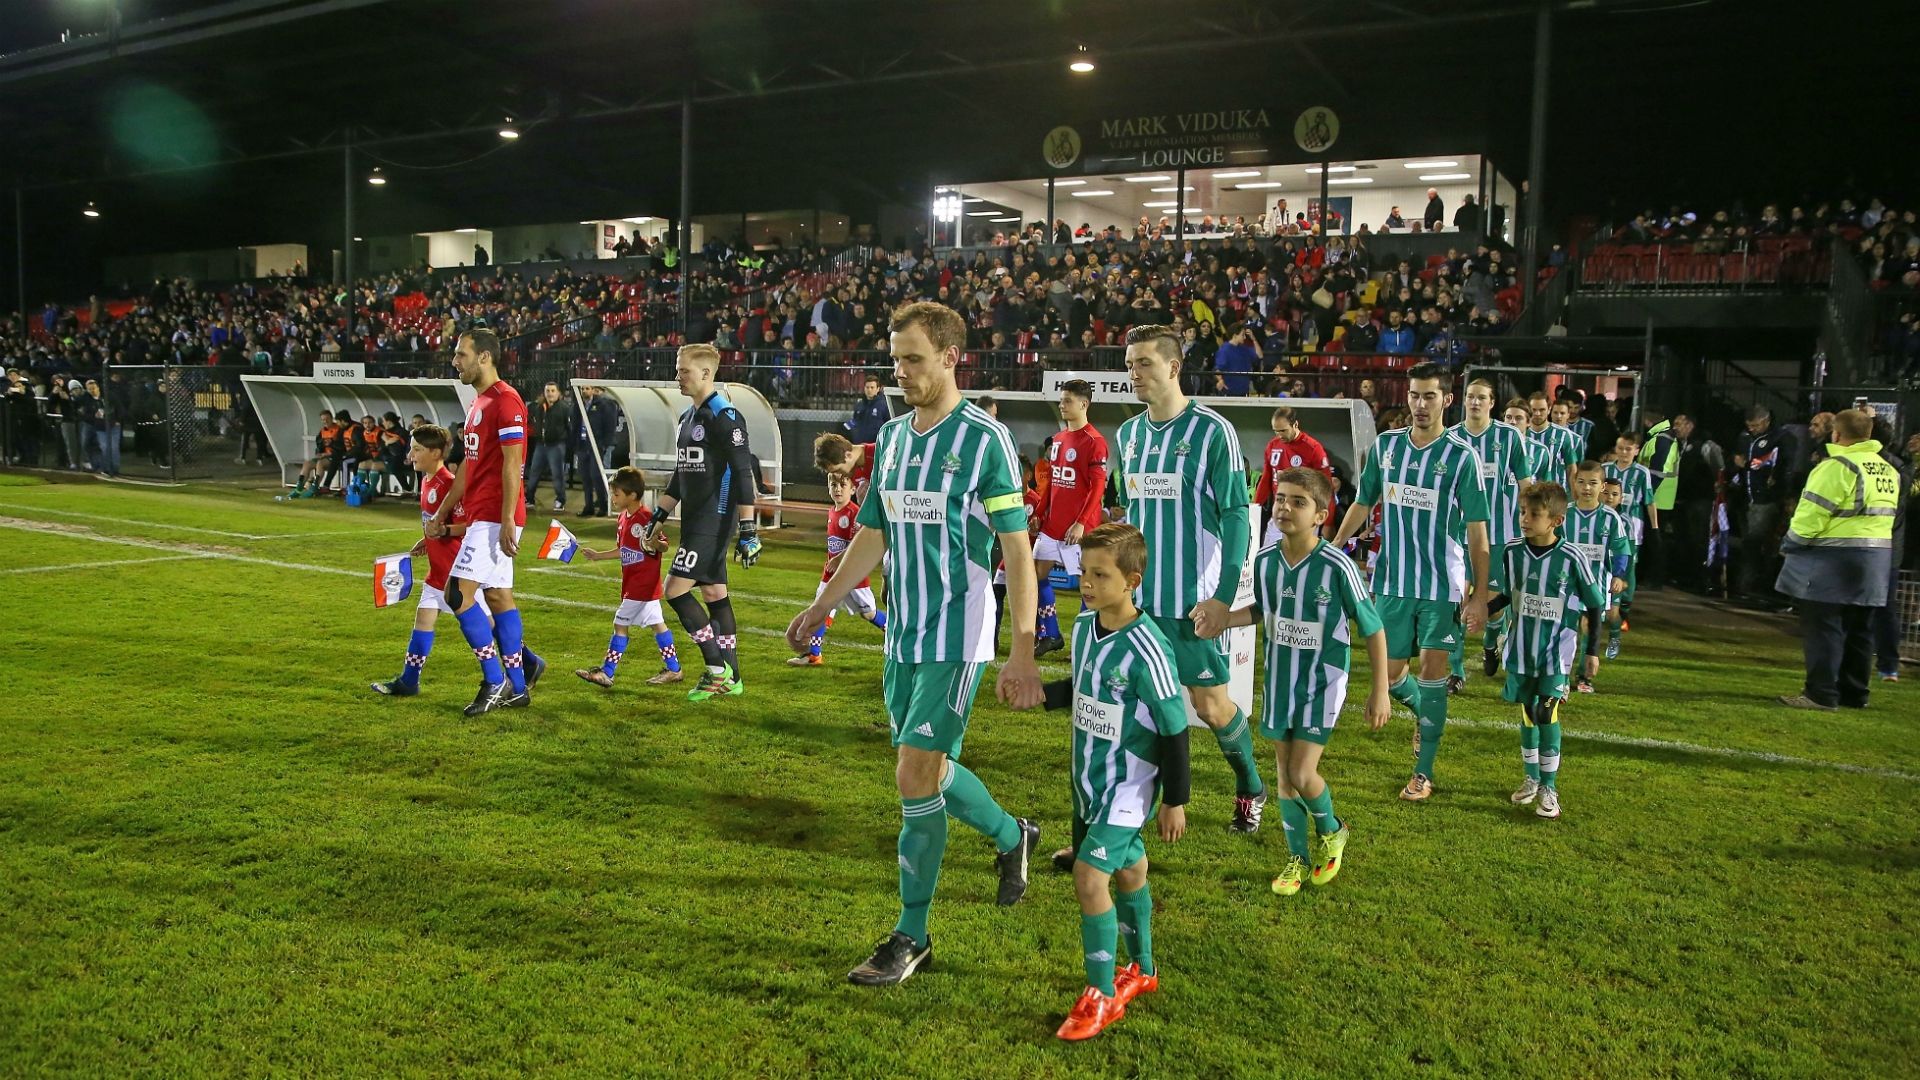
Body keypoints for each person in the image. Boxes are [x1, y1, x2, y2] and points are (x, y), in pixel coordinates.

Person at [786, 300, 1044, 988]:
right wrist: (824, 602)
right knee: (927, 772)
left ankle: (911, 934)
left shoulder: (985, 440)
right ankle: (1014, 836)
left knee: (912, 776)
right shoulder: (894, 439)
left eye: (914, 359)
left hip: (959, 635)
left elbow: (1016, 553)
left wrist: (1020, 648)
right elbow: (875, 529)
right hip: (903, 633)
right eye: (896, 359)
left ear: (952, 358)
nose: (902, 372)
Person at [1024, 523, 1189, 1040]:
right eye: (1085, 571)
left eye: (1100, 574)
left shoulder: (1149, 648)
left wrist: (1174, 801)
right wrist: (1042, 695)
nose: (1088, 583)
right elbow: (1084, 687)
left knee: (1090, 878)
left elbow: (1175, 728)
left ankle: (1099, 997)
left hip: (1129, 786)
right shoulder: (1084, 627)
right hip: (1089, 780)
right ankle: (1142, 969)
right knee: (1130, 870)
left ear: (1132, 580)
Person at [1111, 323, 1266, 832]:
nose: (1134, 372)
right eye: (1130, 363)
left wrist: (1223, 599)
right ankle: (1135, 803)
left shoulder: (1212, 431)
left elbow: (1236, 516)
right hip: (1136, 603)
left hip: (1190, 602)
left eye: (1144, 363)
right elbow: (1131, 512)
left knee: (1212, 707)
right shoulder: (1129, 435)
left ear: (1174, 367)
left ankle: (1250, 785)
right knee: (1135, 705)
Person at [1225, 468, 1389, 896]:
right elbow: (1263, 611)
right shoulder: (1264, 561)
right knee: (1283, 776)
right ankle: (1296, 858)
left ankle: (1333, 830)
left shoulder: (1337, 566)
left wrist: (1380, 689)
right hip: (1279, 682)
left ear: (1321, 515)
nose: (1284, 507)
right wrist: (1224, 619)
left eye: (1298, 502)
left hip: (1322, 682)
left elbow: (1372, 628)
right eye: (1280, 499)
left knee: (1301, 771)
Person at [1332, 363, 1491, 801]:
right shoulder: (1386, 448)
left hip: (1442, 586)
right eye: (1415, 396)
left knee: (1433, 670)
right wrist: (1335, 544)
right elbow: (1363, 502)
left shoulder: (1461, 457)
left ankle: (1423, 771)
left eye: (1430, 397)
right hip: (1392, 583)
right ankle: (1427, 716)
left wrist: (1479, 595)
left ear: (1447, 400)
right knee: (1393, 673)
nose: (1421, 405)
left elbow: (1478, 533)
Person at [424, 328, 539, 717]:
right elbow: (468, 471)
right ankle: (519, 686)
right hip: (482, 514)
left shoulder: (507, 402)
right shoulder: (479, 404)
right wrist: (442, 513)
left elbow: (513, 463)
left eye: (461, 354)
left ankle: (494, 680)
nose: (455, 361)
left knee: (457, 595)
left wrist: (507, 517)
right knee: (497, 596)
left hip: (494, 515)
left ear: (485, 357)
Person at [643, 344, 762, 702]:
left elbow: (744, 474)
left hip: (714, 518)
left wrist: (749, 530)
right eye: (678, 370)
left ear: (706, 374)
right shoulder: (686, 418)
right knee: (714, 593)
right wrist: (659, 515)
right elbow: (682, 475)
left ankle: (715, 668)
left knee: (675, 589)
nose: (677, 376)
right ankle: (734, 676)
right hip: (694, 519)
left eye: (684, 371)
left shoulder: (725, 416)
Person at [1489, 482, 1608, 820]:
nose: (1525, 520)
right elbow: (1509, 596)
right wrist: (1481, 608)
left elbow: (1595, 606)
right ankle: (1530, 779)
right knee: (1528, 712)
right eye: (1523, 513)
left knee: (1546, 711)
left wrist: (1592, 652)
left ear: (1555, 520)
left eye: (1534, 515)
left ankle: (1549, 786)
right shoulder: (1512, 552)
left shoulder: (1572, 557)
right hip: (1522, 649)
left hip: (1556, 652)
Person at [1775, 410, 1898, 711]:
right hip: (1876, 559)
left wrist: (1791, 542)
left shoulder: (1837, 466)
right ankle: (1855, 694)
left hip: (1834, 558)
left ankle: (1820, 694)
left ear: (1837, 435)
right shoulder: (1888, 469)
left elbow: (1811, 514)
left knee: (1824, 626)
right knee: (1860, 629)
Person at [371, 425, 466, 697]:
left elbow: (467, 525)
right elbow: (435, 522)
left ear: (435, 453)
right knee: (423, 620)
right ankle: (409, 681)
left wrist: (444, 532)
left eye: (417, 449)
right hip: (437, 572)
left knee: (488, 629)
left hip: (456, 574)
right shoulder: (426, 480)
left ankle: (524, 662)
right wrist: (428, 539)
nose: (410, 455)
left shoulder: (448, 483)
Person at [1451, 377, 1535, 684]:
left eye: (1480, 397)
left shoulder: (1509, 437)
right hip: (1459, 536)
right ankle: (1455, 671)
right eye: (1470, 396)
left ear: (1491, 403)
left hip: (1498, 537)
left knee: (1492, 608)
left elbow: (1525, 485)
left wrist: (1533, 522)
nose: (1474, 402)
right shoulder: (1451, 438)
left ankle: (1490, 643)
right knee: (1456, 604)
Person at [574, 466, 684, 687]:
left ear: (632, 495)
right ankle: (674, 669)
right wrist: (598, 556)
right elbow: (622, 550)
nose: (613, 497)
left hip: (642, 584)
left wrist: (655, 543)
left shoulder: (646, 517)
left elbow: (663, 545)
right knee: (658, 625)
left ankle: (608, 672)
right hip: (635, 583)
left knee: (620, 624)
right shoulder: (623, 517)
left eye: (616, 494)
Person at [1032, 379, 1109, 657]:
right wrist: (1039, 513)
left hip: (1079, 529)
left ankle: (1085, 642)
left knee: (1087, 587)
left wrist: (1081, 523)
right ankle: (1050, 633)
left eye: (1067, 401)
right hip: (1052, 527)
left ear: (1083, 404)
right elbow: (1053, 481)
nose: (1062, 405)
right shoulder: (1059, 439)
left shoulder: (1095, 441)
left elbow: (1098, 488)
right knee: (1036, 575)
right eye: (1061, 400)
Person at [789, 472, 887, 666]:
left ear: (852, 488)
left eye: (843, 485)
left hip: (853, 576)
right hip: (830, 575)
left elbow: (859, 543)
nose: (838, 489)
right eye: (834, 485)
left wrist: (839, 559)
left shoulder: (855, 513)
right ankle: (813, 655)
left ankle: (893, 630)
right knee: (821, 611)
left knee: (869, 613)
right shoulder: (832, 511)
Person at [1560, 462, 1632, 694]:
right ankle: (1560, 675)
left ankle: (1583, 677)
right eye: (1581, 482)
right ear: (1575, 484)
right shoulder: (1565, 514)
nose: (1586, 488)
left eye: (1593, 483)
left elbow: (1621, 549)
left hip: (1597, 584)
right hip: (1566, 584)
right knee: (1564, 630)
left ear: (1602, 487)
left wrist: (1619, 576)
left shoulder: (1610, 518)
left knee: (1589, 627)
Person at [1603, 435, 1658, 650]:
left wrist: (1655, 529)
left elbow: (1649, 501)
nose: (1624, 453)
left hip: (1630, 529)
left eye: (1628, 449)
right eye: (1620, 448)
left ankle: (1623, 609)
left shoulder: (1641, 473)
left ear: (1636, 450)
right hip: (1603, 526)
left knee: (1627, 570)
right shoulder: (1606, 468)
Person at [1732, 405, 1792, 603]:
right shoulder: (1744, 437)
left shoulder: (1781, 438)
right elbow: (1737, 460)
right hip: (1745, 499)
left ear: (1766, 421)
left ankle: (1752, 588)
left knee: (1756, 544)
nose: (1752, 429)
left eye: (1756, 425)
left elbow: (1780, 464)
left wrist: (1749, 465)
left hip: (1766, 500)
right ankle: (1746, 587)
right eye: (1749, 426)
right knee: (1748, 543)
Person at [1252, 407, 1335, 546]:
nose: (1279, 435)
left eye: (1283, 430)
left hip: (1304, 515)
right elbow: (1266, 479)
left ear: (1295, 424)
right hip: (1279, 511)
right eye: (1276, 431)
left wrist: (1328, 523)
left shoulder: (1313, 448)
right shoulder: (1272, 446)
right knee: (1269, 555)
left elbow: (1326, 488)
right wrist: (1254, 509)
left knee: (1299, 560)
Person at [526, 382, 573, 513]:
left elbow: (569, 428)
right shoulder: (539, 407)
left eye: (553, 391)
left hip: (556, 445)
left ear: (558, 393)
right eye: (548, 391)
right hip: (541, 445)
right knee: (534, 472)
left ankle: (560, 500)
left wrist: (567, 445)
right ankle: (529, 499)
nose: (550, 393)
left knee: (557, 474)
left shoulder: (564, 408)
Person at [1524, 390, 1581, 489]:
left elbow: (1571, 468)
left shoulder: (1563, 434)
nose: (1537, 413)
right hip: (1527, 493)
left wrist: (1574, 496)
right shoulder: (1521, 434)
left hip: (1556, 493)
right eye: (1534, 410)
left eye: (1542, 410)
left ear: (1549, 409)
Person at [290, 410, 340, 497]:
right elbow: (319, 445)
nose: (325, 421)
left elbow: (342, 447)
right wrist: (319, 453)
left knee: (320, 463)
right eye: (323, 420)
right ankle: (298, 489)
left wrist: (328, 454)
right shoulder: (322, 431)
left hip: (335, 457)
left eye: (327, 419)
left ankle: (314, 488)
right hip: (324, 456)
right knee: (307, 464)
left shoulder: (339, 430)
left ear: (332, 419)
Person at [813, 432, 876, 498]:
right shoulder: (853, 470)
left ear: (848, 455)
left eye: (838, 470)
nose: (838, 475)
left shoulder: (881, 453)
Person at [845, 372, 890, 443]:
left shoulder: (884, 406)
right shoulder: (859, 405)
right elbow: (854, 421)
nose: (869, 390)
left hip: (875, 446)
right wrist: (847, 428)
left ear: (878, 389)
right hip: (859, 445)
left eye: (872, 387)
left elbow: (889, 426)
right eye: (867, 387)